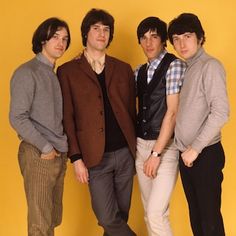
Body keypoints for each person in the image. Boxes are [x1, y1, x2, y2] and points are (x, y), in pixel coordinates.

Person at [57, 8, 136, 236]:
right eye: (96, 28)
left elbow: (131, 110)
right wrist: (76, 158)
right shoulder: (68, 71)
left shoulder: (123, 68)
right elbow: (67, 118)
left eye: (106, 29)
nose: (102, 33)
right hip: (94, 158)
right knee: (107, 217)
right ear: (86, 34)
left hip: (125, 154)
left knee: (120, 217)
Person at [168, 13, 230, 236]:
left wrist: (195, 149)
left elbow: (221, 112)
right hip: (187, 156)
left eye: (187, 36)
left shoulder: (209, 66)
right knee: (197, 220)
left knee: (210, 222)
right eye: (176, 38)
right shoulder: (188, 68)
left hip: (205, 154)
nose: (181, 43)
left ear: (200, 38)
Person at [9, 18, 71, 236]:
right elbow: (17, 117)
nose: (61, 43)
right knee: (39, 224)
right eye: (55, 36)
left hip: (57, 155)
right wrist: (45, 148)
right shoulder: (28, 72)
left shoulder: (53, 74)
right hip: (39, 154)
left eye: (64, 39)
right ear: (42, 38)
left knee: (52, 218)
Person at [135, 17, 186, 236]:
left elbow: (172, 113)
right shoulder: (138, 72)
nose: (149, 43)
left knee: (155, 213)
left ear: (163, 40)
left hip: (164, 149)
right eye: (144, 38)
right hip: (141, 147)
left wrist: (156, 153)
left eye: (154, 36)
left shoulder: (175, 66)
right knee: (152, 212)